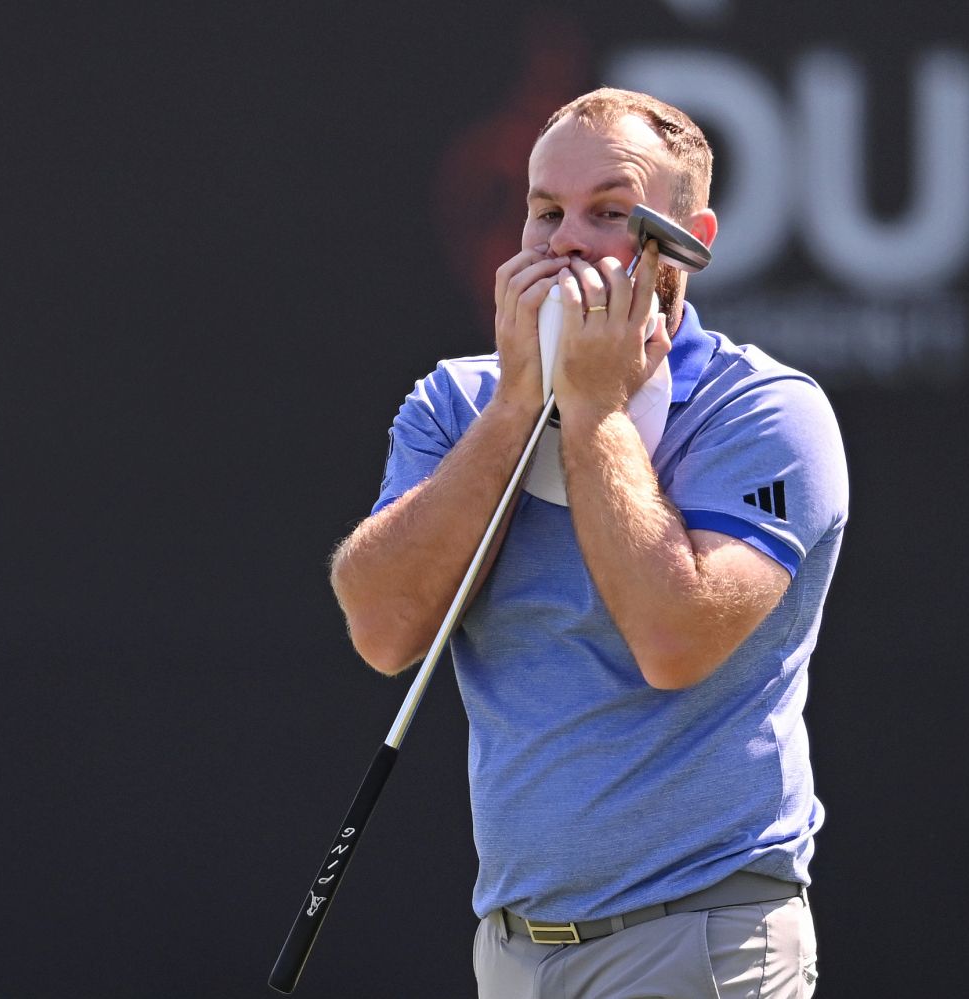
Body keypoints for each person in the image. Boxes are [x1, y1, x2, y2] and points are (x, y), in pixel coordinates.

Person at [329, 87, 849, 999]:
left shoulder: (766, 413)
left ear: (691, 240)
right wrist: (519, 406)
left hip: (695, 936)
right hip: (514, 950)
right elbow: (381, 626)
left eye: (610, 212)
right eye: (544, 212)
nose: (565, 240)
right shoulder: (458, 404)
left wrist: (595, 407)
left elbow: (673, 639)